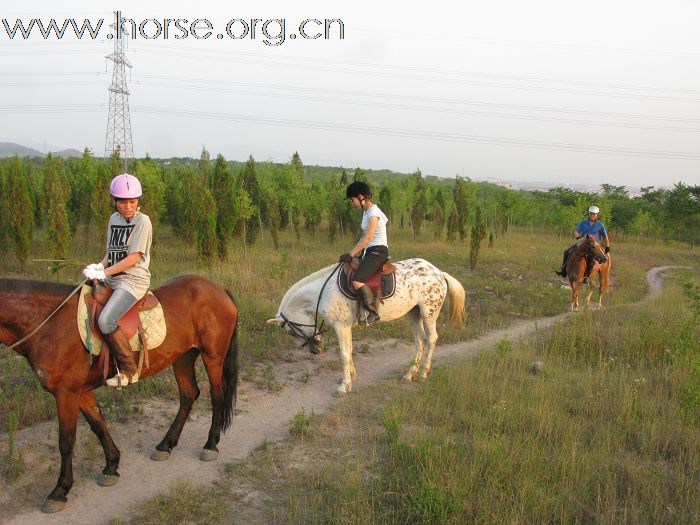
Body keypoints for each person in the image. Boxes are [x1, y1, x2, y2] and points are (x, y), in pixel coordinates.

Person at [83, 173, 153, 387]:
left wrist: (105, 273)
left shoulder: (143, 222)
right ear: (114, 201)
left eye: (133, 201)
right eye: (123, 201)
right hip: (113, 277)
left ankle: (130, 370)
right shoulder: (113, 219)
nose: (128, 206)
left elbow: (132, 258)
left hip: (133, 281)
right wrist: (99, 266)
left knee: (106, 320)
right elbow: (112, 252)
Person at [339, 181, 389, 324]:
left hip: (378, 252)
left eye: (352, 200)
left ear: (360, 197)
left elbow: (368, 237)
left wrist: (352, 253)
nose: (352, 203)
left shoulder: (373, 212)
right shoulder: (366, 212)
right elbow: (363, 236)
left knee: (357, 280)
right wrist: (351, 253)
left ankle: (373, 312)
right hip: (369, 251)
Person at [555, 205, 610, 284]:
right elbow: (576, 231)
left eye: (594, 214)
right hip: (583, 242)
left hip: (594, 245)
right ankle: (563, 271)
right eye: (591, 214)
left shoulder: (600, 225)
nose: (592, 215)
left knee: (591, 260)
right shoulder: (583, 222)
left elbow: (605, 236)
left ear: (597, 215)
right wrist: (578, 238)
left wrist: (607, 246)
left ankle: (586, 277)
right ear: (588, 214)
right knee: (567, 252)